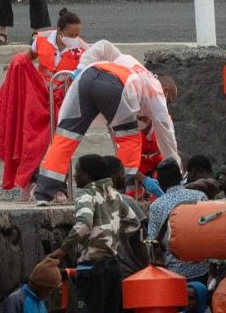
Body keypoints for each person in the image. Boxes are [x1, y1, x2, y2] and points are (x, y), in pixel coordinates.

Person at [33, 40, 179, 203]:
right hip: (114, 87)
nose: (167, 105)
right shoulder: (157, 91)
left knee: (65, 137)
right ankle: (119, 193)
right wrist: (178, 174)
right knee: (130, 140)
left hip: (87, 76)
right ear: (165, 91)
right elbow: (167, 138)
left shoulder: (133, 64)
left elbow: (103, 45)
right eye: (169, 101)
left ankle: (43, 193)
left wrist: (82, 66)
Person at [62, 154, 140, 313]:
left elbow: (84, 225)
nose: (74, 175)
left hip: (92, 270)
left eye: (77, 171)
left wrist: (61, 251)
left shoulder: (86, 194)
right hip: (113, 269)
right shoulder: (115, 195)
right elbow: (133, 223)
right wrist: (111, 237)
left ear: (87, 175)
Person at [146, 159, 210, 282]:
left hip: (173, 272)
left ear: (160, 182)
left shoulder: (156, 206)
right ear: (181, 177)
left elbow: (151, 241)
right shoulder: (200, 196)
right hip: (200, 268)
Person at [106, 156, 149, 277]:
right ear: (113, 177)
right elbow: (140, 238)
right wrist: (147, 268)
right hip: (129, 271)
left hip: (105, 271)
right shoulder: (126, 201)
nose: (125, 176)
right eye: (122, 172)